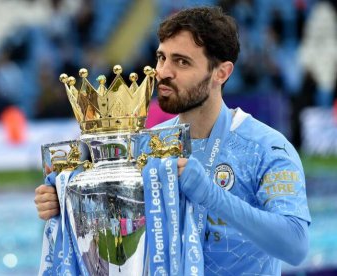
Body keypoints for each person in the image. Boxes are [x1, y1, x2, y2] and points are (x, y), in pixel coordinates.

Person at [35, 6, 311, 274]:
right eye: (161, 57)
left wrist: (212, 196)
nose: (163, 72)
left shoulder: (266, 147)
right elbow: (118, 242)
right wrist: (71, 205)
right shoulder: (145, 146)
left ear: (221, 73)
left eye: (182, 61)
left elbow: (296, 246)